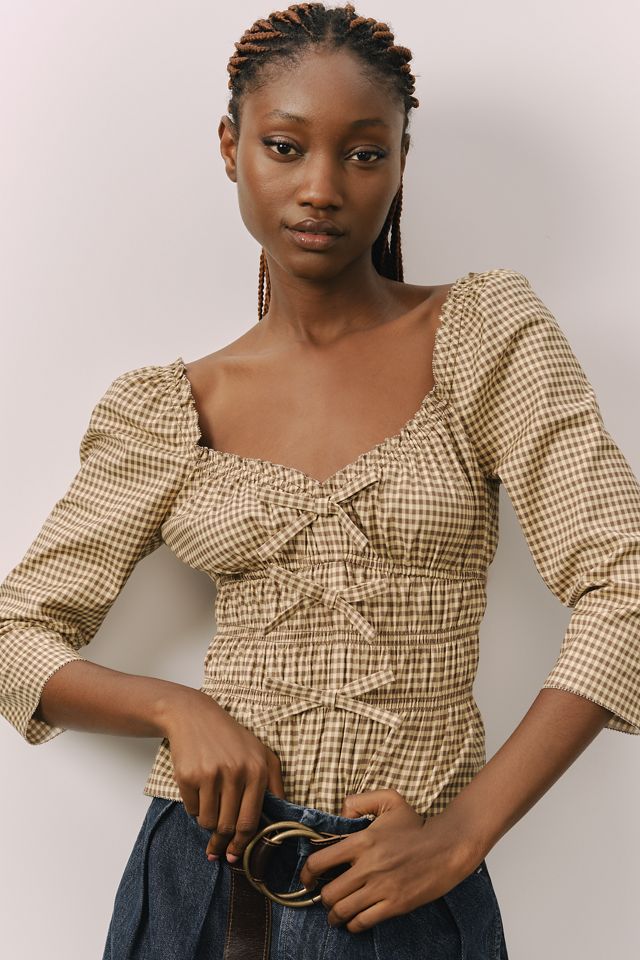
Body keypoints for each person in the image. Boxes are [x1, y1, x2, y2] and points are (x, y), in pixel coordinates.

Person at [1, 3, 639, 958]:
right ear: (232, 149)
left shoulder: (485, 336)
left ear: (401, 162)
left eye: (364, 153)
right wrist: (176, 708)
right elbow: (14, 635)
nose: (322, 188)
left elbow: (626, 585)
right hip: (199, 882)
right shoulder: (167, 408)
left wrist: (464, 833)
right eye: (285, 146)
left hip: (400, 888)